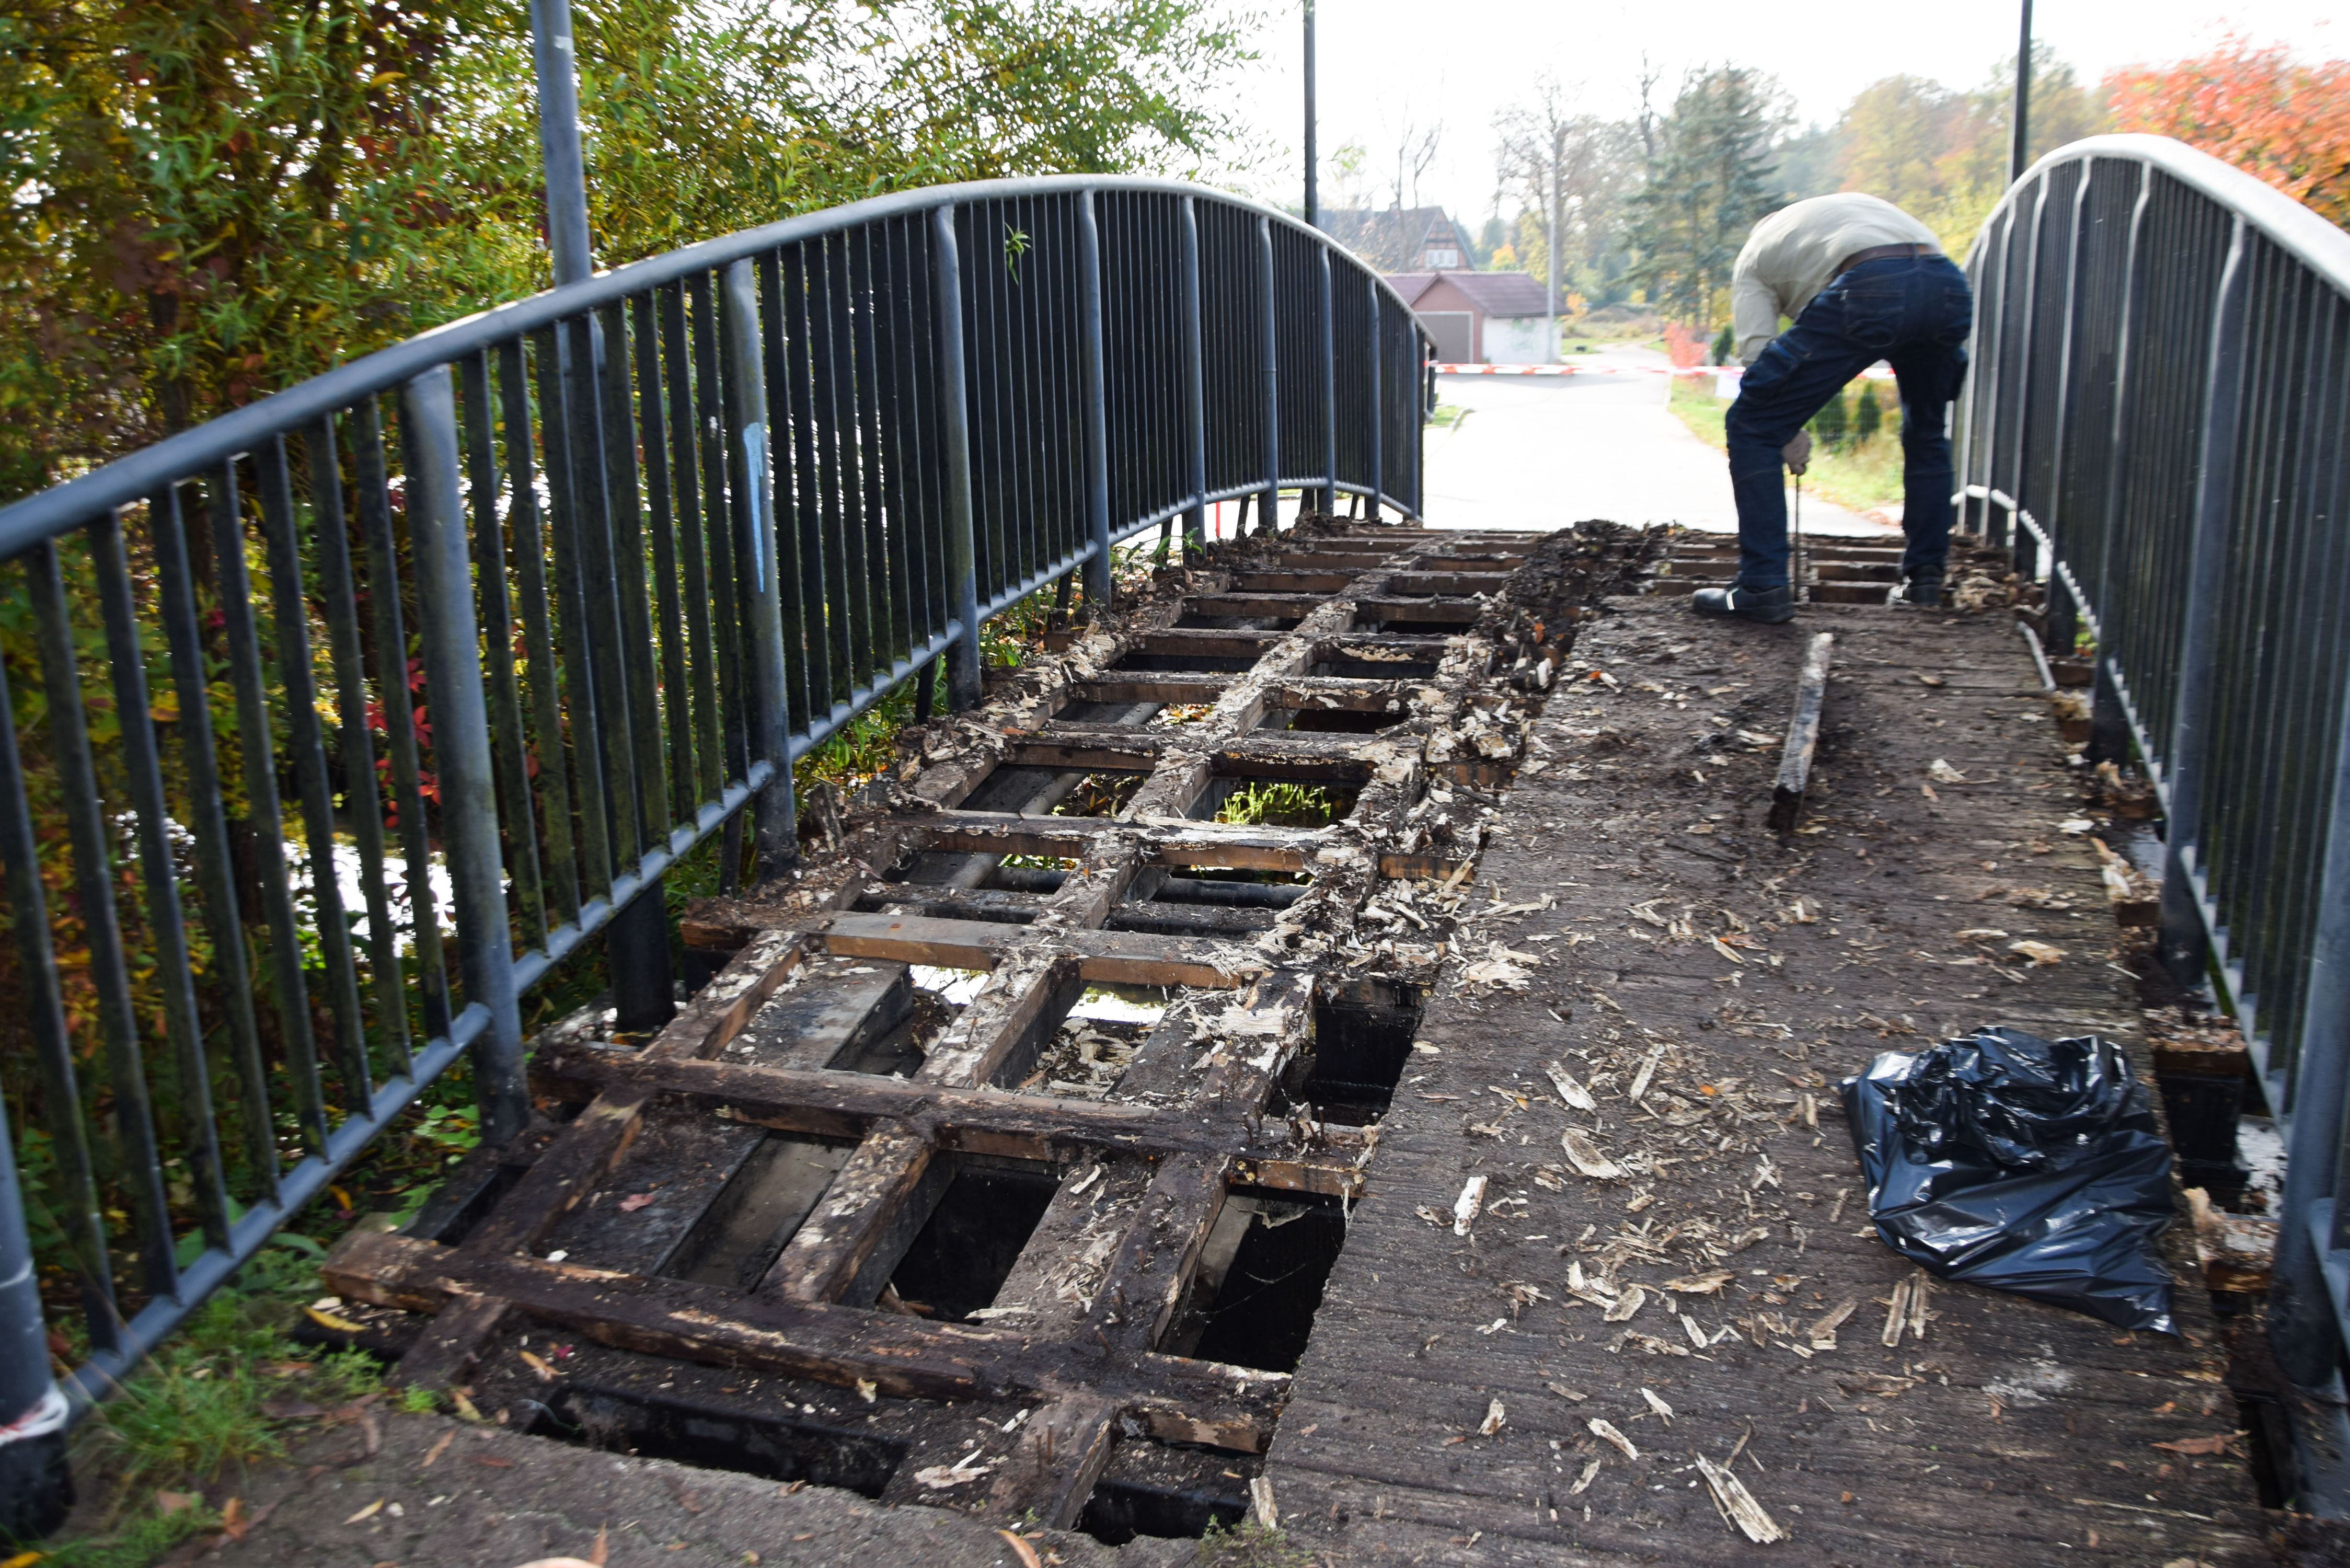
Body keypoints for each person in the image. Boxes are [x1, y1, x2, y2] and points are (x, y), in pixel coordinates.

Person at [1692, 191, 1974, 624]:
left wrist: (1783, 428)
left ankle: (1761, 586)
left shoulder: (1754, 257)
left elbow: (1758, 359)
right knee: (1927, 431)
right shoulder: (1835, 222)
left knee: (1751, 425)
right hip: (1947, 283)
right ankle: (1925, 582)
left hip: (1871, 281)